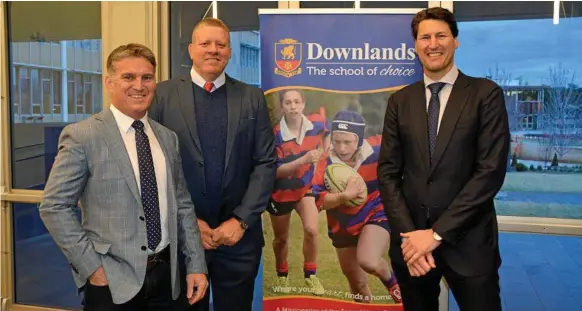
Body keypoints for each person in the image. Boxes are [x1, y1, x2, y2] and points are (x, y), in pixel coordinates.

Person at [38, 43, 209, 311]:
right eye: (128, 77)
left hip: (167, 279)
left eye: (147, 77)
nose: (138, 85)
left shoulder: (167, 138)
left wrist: (196, 265)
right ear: (109, 82)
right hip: (111, 283)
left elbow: (183, 205)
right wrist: (93, 269)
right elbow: (54, 206)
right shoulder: (83, 136)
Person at [377, 7, 510, 311]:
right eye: (425, 37)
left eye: (441, 35)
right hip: (413, 251)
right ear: (415, 46)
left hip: (470, 246)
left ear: (455, 41)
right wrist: (411, 238)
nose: (433, 44)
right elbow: (387, 172)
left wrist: (435, 235)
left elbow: (489, 173)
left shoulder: (485, 94)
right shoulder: (400, 101)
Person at [148, 17, 277, 311]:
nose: (213, 50)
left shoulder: (252, 98)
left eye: (220, 44)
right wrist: (190, 223)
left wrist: (242, 219)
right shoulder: (162, 95)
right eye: (205, 43)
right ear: (191, 49)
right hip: (182, 239)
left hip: (239, 240)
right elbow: (153, 166)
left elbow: (266, 163)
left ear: (230, 52)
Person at [310, 110, 402, 304]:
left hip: (375, 212)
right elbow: (320, 202)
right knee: (357, 284)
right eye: (336, 141)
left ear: (359, 139)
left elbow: (408, 141)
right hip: (343, 224)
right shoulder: (325, 162)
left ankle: (395, 286)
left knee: (368, 260)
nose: (341, 148)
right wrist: (345, 196)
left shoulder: (377, 150)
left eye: (348, 142)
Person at [268, 89, 330, 295]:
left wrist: (325, 155)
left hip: (306, 187)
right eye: (288, 103)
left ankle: (310, 275)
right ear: (282, 107)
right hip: (281, 191)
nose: (293, 106)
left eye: (297, 102)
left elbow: (327, 132)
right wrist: (303, 160)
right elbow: (275, 171)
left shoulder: (317, 123)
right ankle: (282, 274)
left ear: (303, 104)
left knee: (312, 230)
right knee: (281, 239)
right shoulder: (276, 133)